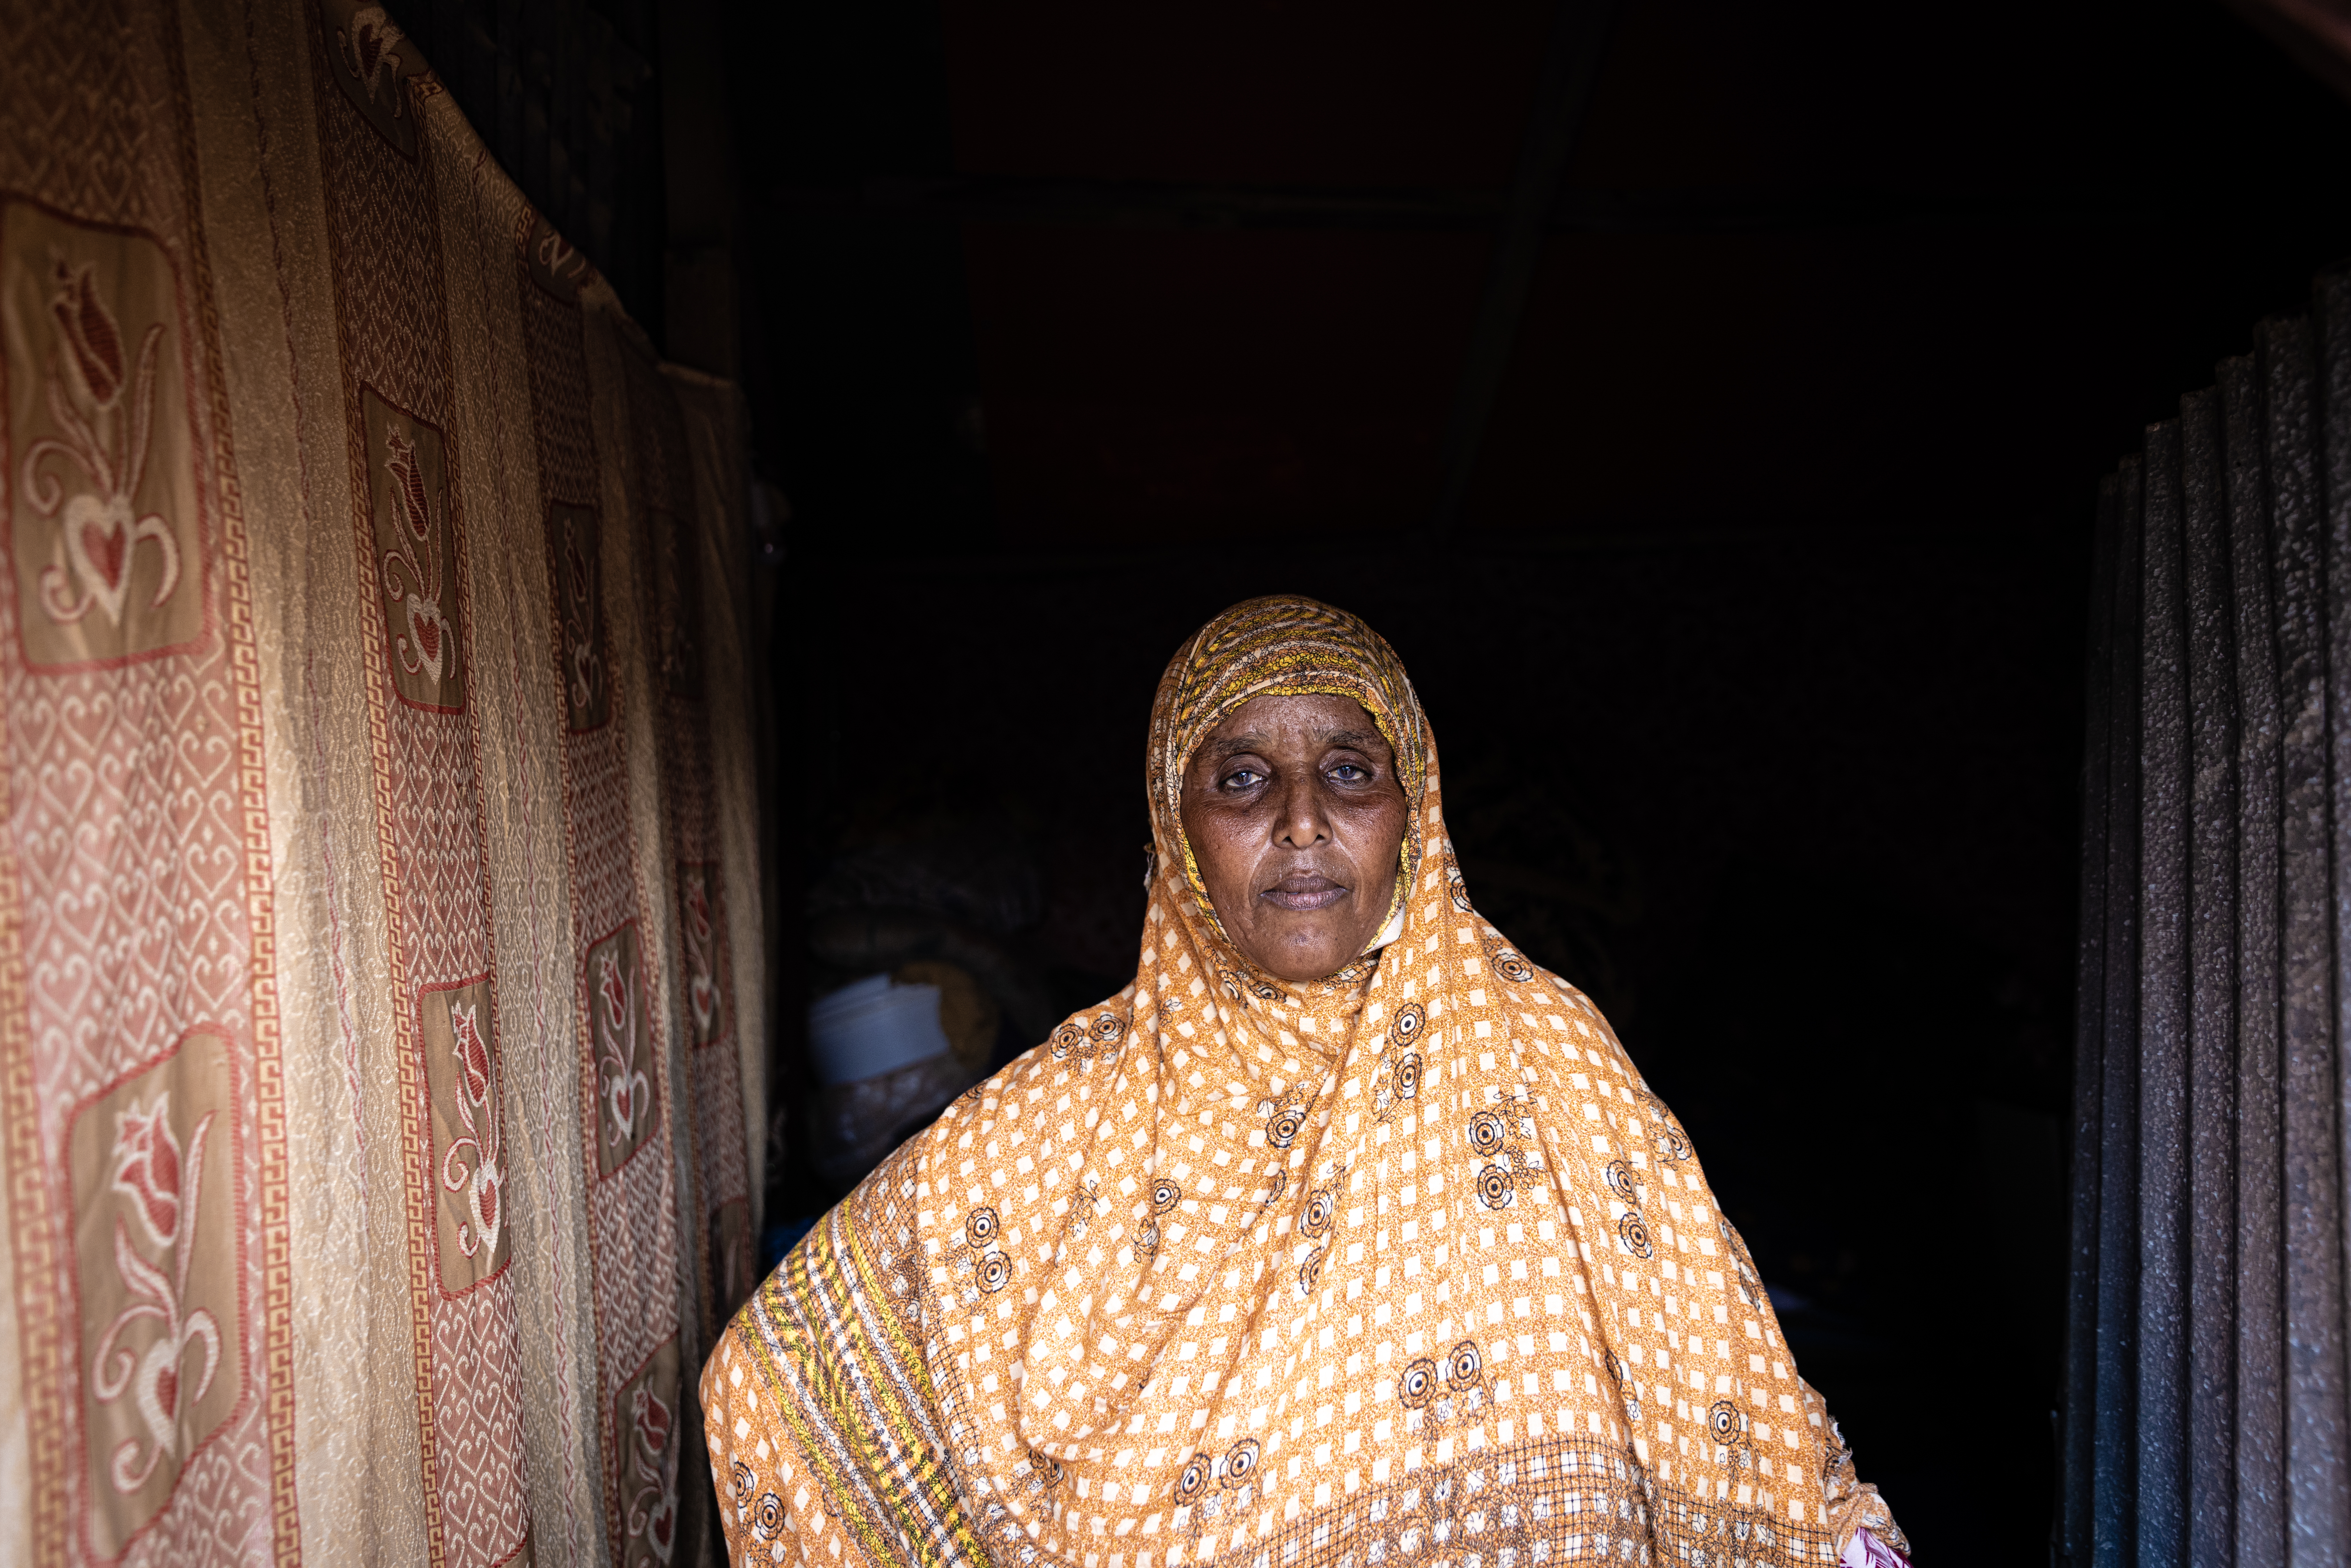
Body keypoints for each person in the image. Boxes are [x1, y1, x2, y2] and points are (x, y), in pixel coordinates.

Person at [701, 595, 1909, 1568]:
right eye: (1239, 778)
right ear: (1174, 825)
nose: (1299, 821)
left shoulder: (1547, 1052)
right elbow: (785, 1380)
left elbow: (1726, 1381)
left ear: (1412, 808)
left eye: (1348, 770)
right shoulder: (1065, 1114)